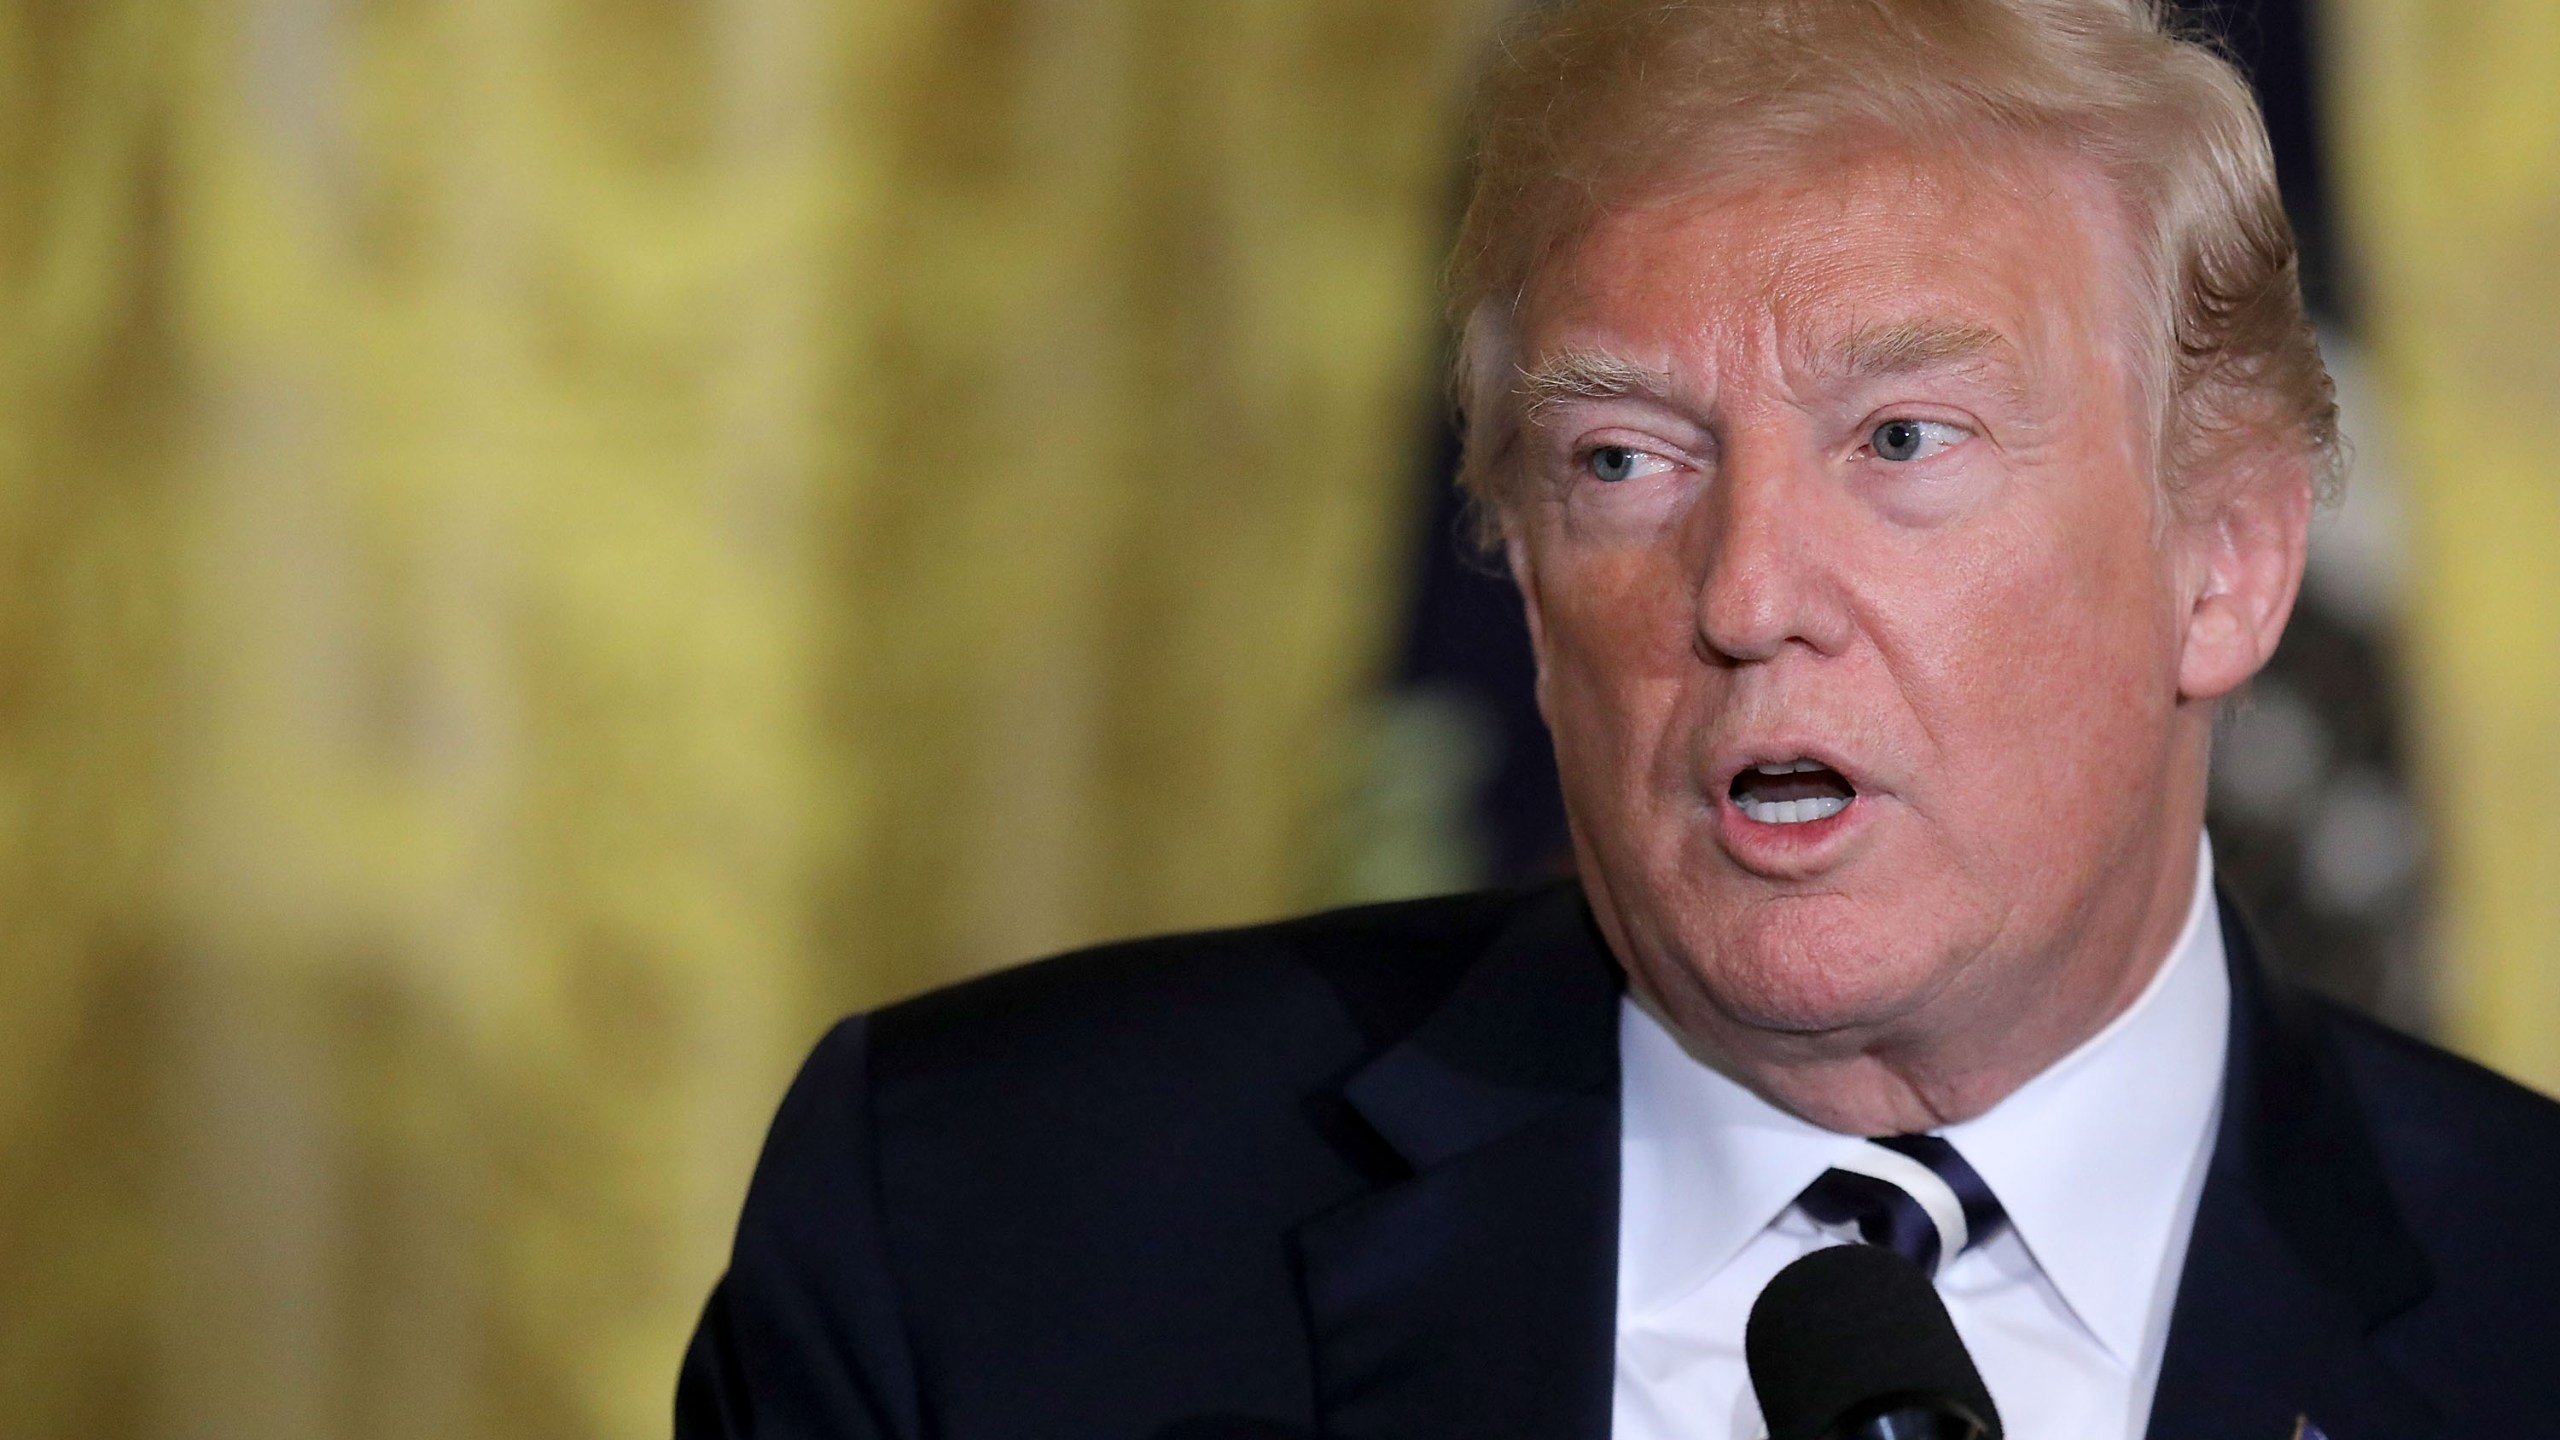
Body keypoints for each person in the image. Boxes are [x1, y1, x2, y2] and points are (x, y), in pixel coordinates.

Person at [677, 0, 2560, 1436]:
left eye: (1903, 441)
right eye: (1624, 460)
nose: (1742, 596)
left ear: (2226, 561)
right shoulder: (982, 1230)